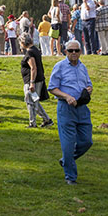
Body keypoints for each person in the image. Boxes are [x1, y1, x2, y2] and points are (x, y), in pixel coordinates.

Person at [48, 39, 93, 184]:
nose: (74, 53)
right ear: (65, 52)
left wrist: (89, 90)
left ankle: (66, 161)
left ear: (80, 52)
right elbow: (52, 88)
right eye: (71, 51)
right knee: (68, 145)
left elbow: (89, 84)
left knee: (87, 141)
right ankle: (71, 177)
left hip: (82, 109)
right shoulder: (60, 66)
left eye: (77, 50)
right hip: (66, 109)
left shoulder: (82, 67)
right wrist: (66, 96)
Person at [20, 35, 52, 128]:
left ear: (23, 43)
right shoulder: (35, 50)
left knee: (30, 101)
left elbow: (33, 68)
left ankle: (32, 123)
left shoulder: (30, 53)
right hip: (37, 79)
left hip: (33, 81)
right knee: (34, 101)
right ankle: (47, 120)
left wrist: (32, 82)